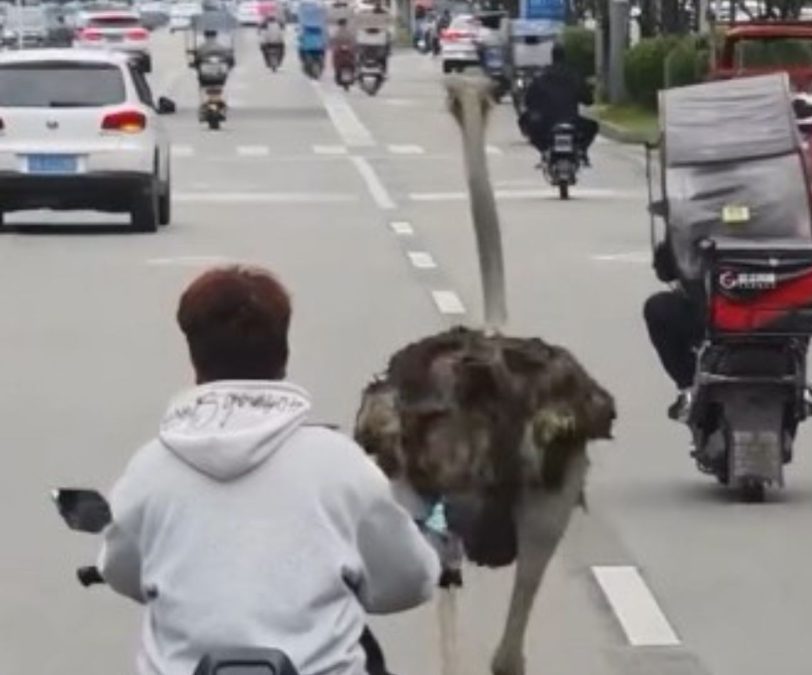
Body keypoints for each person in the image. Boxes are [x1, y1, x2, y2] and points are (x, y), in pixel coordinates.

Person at [98, 266, 440, 675]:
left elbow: (121, 571)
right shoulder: (342, 465)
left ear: (194, 355)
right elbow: (409, 581)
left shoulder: (151, 469)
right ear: (283, 352)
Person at [643, 232, 706, 420]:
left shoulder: (696, 221)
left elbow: (665, 270)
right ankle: (689, 387)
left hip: (713, 318)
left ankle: (688, 386)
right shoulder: (778, 219)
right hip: (773, 320)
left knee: (658, 309)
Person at [521, 43, 598, 164]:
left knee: (526, 122)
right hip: (572, 120)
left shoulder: (542, 76)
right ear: (565, 56)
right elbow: (588, 100)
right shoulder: (574, 75)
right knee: (593, 126)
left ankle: (544, 151)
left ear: (552, 57)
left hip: (546, 123)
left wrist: (538, 105)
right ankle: (582, 151)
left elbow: (528, 100)